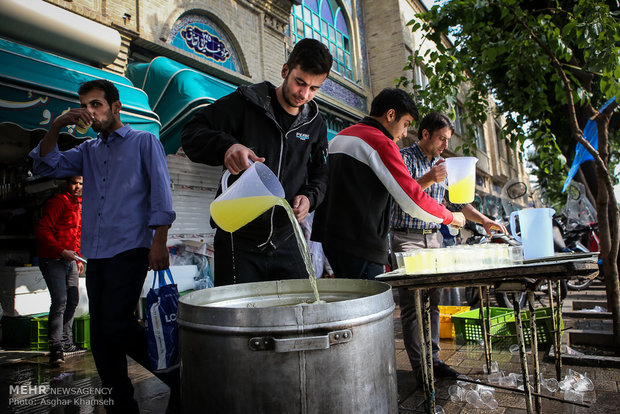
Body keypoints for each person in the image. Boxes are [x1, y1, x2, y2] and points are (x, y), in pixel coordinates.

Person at [29, 79, 177, 413]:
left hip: (132, 247)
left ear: (115, 106)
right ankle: (120, 406)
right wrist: (57, 124)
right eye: (86, 106)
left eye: (97, 104)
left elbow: (161, 194)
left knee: (115, 324)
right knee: (100, 337)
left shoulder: (145, 142)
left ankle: (176, 374)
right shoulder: (88, 150)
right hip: (96, 253)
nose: (90, 112)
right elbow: (43, 164)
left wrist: (160, 242)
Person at [182, 38, 332, 286]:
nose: (304, 94)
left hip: (287, 238)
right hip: (237, 239)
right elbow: (191, 133)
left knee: (298, 312)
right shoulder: (246, 104)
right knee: (241, 319)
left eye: (314, 88)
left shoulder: (316, 124)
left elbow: (321, 174)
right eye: (300, 82)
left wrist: (310, 197)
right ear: (285, 71)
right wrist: (227, 146)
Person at [390, 111, 507, 383]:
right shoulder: (403, 158)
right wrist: (430, 177)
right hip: (406, 236)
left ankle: (435, 360)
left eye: (447, 139)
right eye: (441, 138)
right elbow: (400, 193)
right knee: (413, 303)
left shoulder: (444, 164)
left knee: (433, 301)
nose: (445, 144)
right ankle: (421, 368)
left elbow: (457, 202)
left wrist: (486, 220)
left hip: (434, 237)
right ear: (425, 134)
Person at [310, 89, 466, 279]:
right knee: (371, 305)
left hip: (330, 239)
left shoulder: (340, 136)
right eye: (405, 124)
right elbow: (412, 199)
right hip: (361, 243)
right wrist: (450, 216)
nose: (404, 133)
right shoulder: (380, 142)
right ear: (391, 115)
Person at [35, 176, 84, 367]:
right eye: (74, 183)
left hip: (70, 260)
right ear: (67, 184)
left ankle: (67, 343)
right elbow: (42, 230)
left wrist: (78, 255)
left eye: (80, 184)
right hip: (53, 258)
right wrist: (61, 251)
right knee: (60, 300)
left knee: (73, 300)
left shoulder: (79, 205)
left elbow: (76, 232)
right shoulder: (58, 202)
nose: (77, 187)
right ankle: (55, 347)